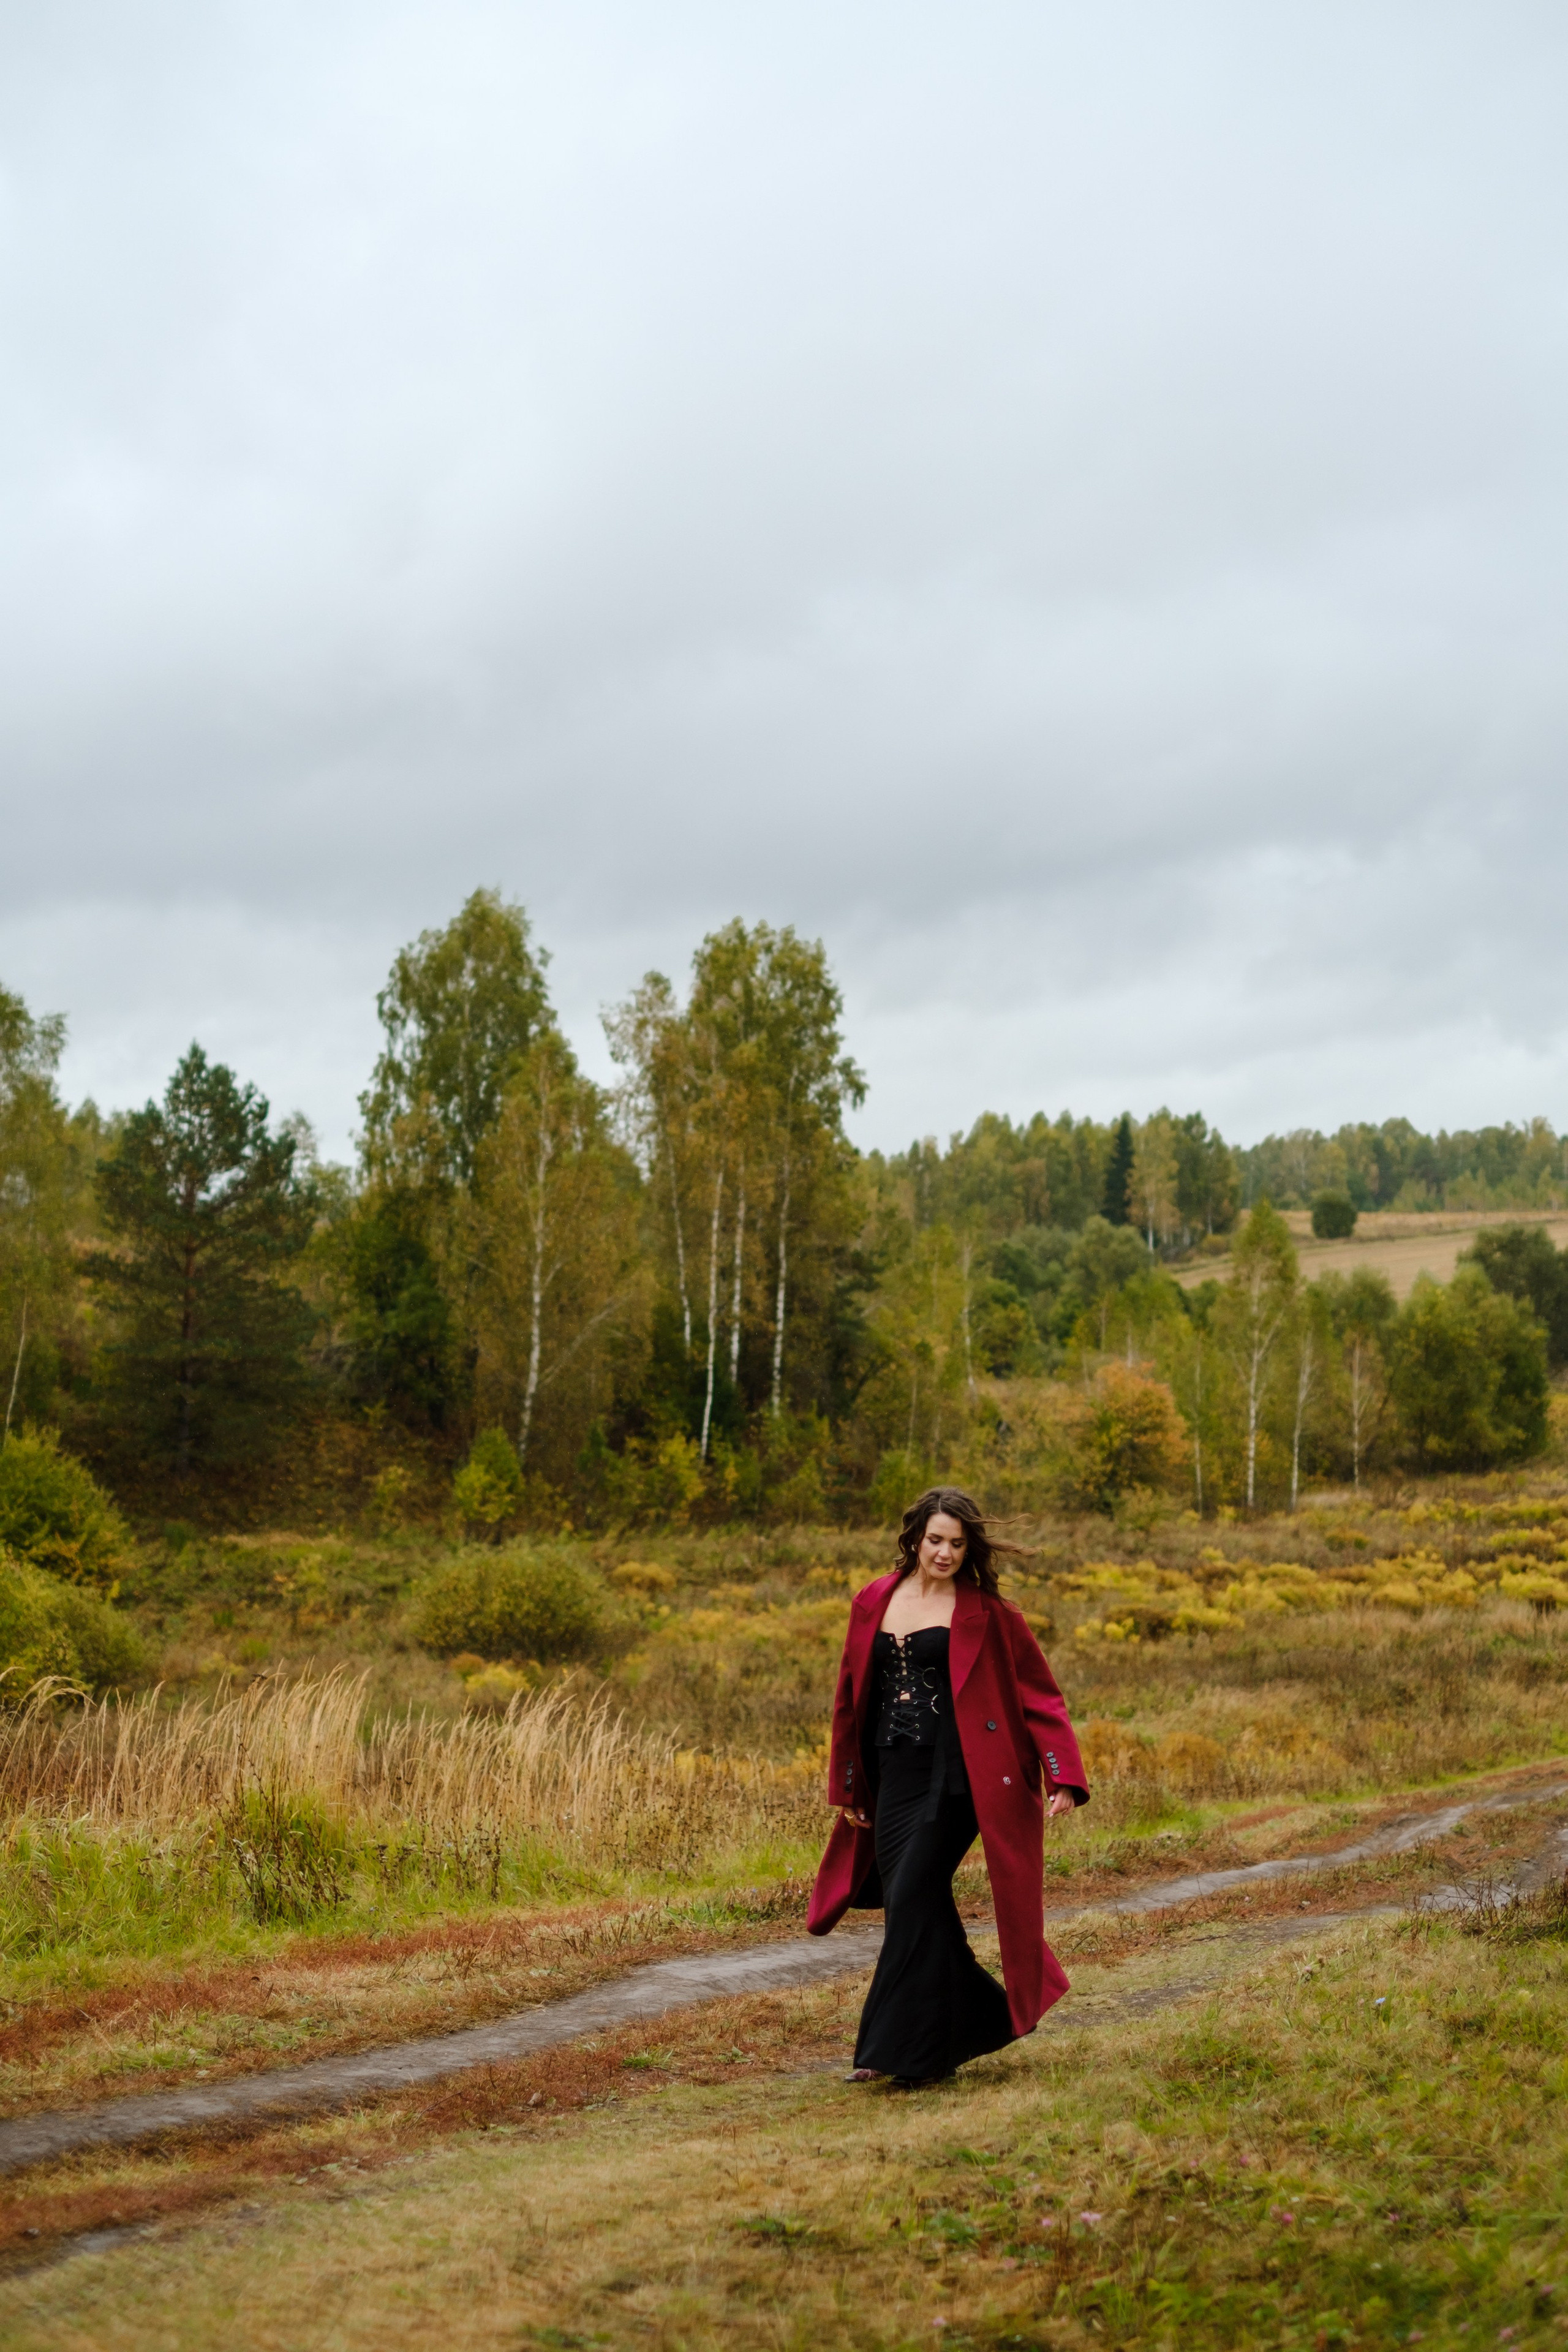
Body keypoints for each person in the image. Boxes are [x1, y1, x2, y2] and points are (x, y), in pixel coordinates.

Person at [807, 1486, 1088, 2087]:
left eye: (957, 1544)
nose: (945, 1552)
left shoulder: (988, 1611)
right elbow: (849, 1701)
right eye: (936, 1539)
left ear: (968, 1549)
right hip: (893, 1773)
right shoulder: (873, 1601)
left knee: (910, 1894)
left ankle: (904, 2053)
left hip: (963, 1774)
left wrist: (1063, 1776)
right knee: (915, 1906)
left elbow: (1040, 1695)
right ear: (914, 1538)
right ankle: (965, 2025)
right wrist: (849, 1786)